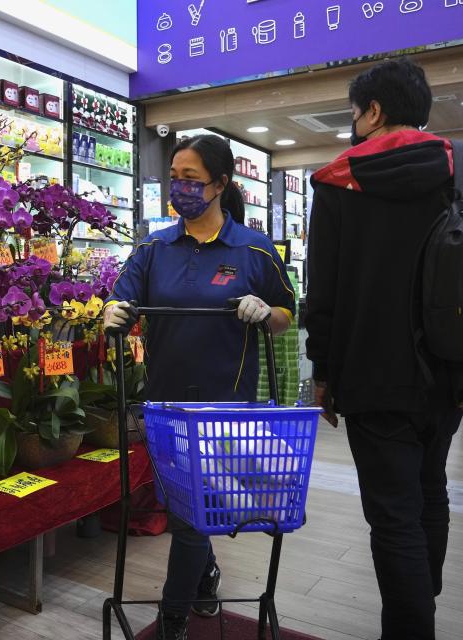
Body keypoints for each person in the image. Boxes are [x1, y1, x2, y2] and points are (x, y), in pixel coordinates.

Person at [305, 58, 463, 640]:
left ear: (374, 111)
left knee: (392, 518)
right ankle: (422, 603)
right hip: (450, 366)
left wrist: (324, 372)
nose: (352, 123)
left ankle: (412, 626)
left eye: (354, 112)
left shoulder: (338, 180)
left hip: (371, 373)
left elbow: (324, 293)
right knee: (431, 490)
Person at [103, 134, 295, 639]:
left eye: (191, 180)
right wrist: (113, 312)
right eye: (175, 179)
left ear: (220, 185)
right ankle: (206, 575)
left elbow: (286, 311)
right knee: (182, 506)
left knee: (190, 518)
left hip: (225, 407)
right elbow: (120, 297)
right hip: (164, 403)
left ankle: (172, 616)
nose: (180, 189)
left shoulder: (253, 249)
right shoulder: (153, 247)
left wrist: (265, 313)